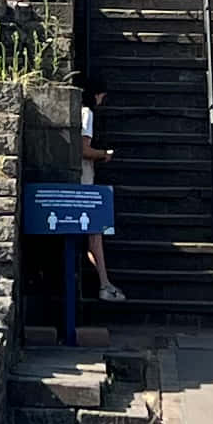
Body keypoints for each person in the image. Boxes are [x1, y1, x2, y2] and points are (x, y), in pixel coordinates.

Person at [77, 83, 123, 303]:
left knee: (90, 235)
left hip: (74, 181)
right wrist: (105, 154)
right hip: (84, 181)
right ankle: (104, 285)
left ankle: (103, 283)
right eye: (101, 96)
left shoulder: (75, 111)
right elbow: (83, 149)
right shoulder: (87, 113)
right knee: (95, 233)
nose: (102, 101)